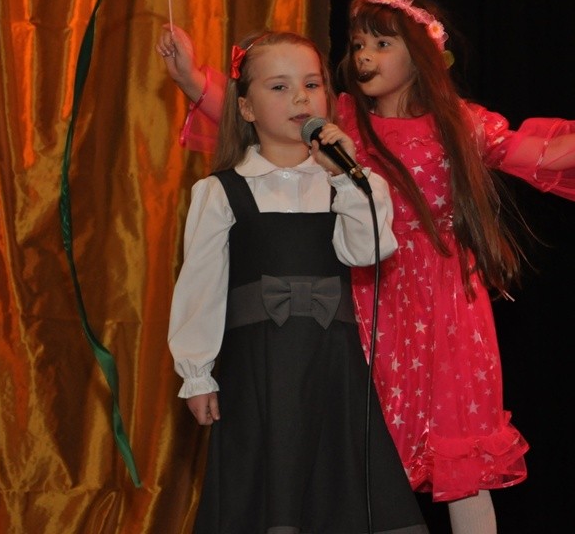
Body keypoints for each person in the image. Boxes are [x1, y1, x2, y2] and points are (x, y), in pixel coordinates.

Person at [158, 0, 575, 534]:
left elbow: (541, 153)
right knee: (359, 452)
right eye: (358, 44)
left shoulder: (458, 123)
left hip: (444, 308)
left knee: (462, 453)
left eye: (382, 44)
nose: (364, 56)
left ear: (421, 56)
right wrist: (191, 78)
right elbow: (266, 111)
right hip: (366, 297)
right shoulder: (342, 120)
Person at [166, 29, 427, 533]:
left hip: (333, 369)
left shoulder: (352, 184)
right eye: (280, 87)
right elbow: (200, 289)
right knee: (266, 494)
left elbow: (369, 250)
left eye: (311, 84)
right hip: (258, 374)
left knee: (339, 494)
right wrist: (197, 374)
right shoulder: (220, 192)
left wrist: (345, 176)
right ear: (245, 108)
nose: (300, 98)